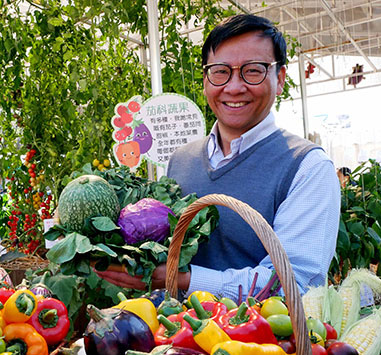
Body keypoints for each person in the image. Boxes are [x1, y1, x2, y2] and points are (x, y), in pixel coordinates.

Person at [97, 14, 340, 300]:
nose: (234, 87)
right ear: (205, 79)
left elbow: (293, 283)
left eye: (253, 71)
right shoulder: (181, 161)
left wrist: (184, 279)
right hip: (171, 338)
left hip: (258, 342)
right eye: (220, 71)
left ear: (280, 78)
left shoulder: (307, 167)